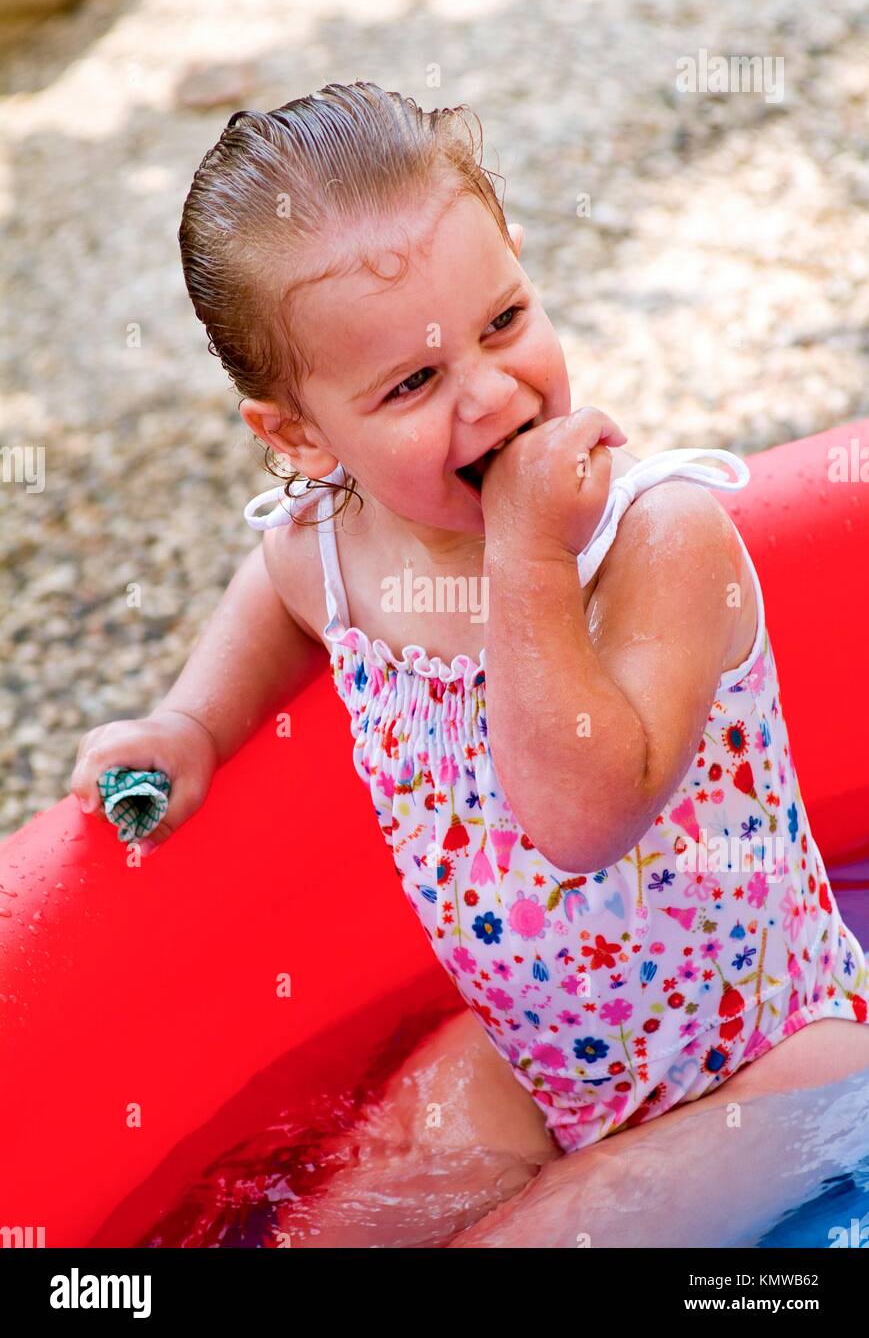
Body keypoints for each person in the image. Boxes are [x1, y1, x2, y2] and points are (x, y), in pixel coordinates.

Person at [70, 83, 869, 1247]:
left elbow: (582, 814)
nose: (490, 392)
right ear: (296, 433)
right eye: (411, 383)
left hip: (776, 1059)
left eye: (501, 321)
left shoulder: (655, 543)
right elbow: (275, 596)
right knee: (313, 1239)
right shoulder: (331, 557)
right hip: (539, 1051)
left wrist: (527, 558)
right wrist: (192, 724)